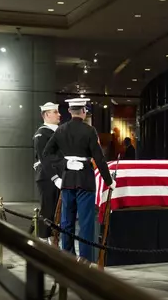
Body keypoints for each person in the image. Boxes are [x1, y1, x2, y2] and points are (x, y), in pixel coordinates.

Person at [44, 98, 115, 265]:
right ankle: (84, 258)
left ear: (69, 111)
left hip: (68, 179)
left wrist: (64, 164)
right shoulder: (90, 131)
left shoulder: (60, 130)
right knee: (86, 221)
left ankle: (67, 256)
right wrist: (109, 180)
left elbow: (47, 153)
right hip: (85, 180)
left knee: (67, 221)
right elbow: (99, 158)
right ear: (83, 112)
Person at [33, 102, 61, 245]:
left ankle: (53, 239)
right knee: (47, 209)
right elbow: (45, 159)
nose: (59, 114)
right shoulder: (42, 134)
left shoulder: (57, 132)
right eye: (55, 112)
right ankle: (43, 241)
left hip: (57, 176)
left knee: (57, 210)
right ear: (47, 115)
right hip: (47, 177)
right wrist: (55, 177)